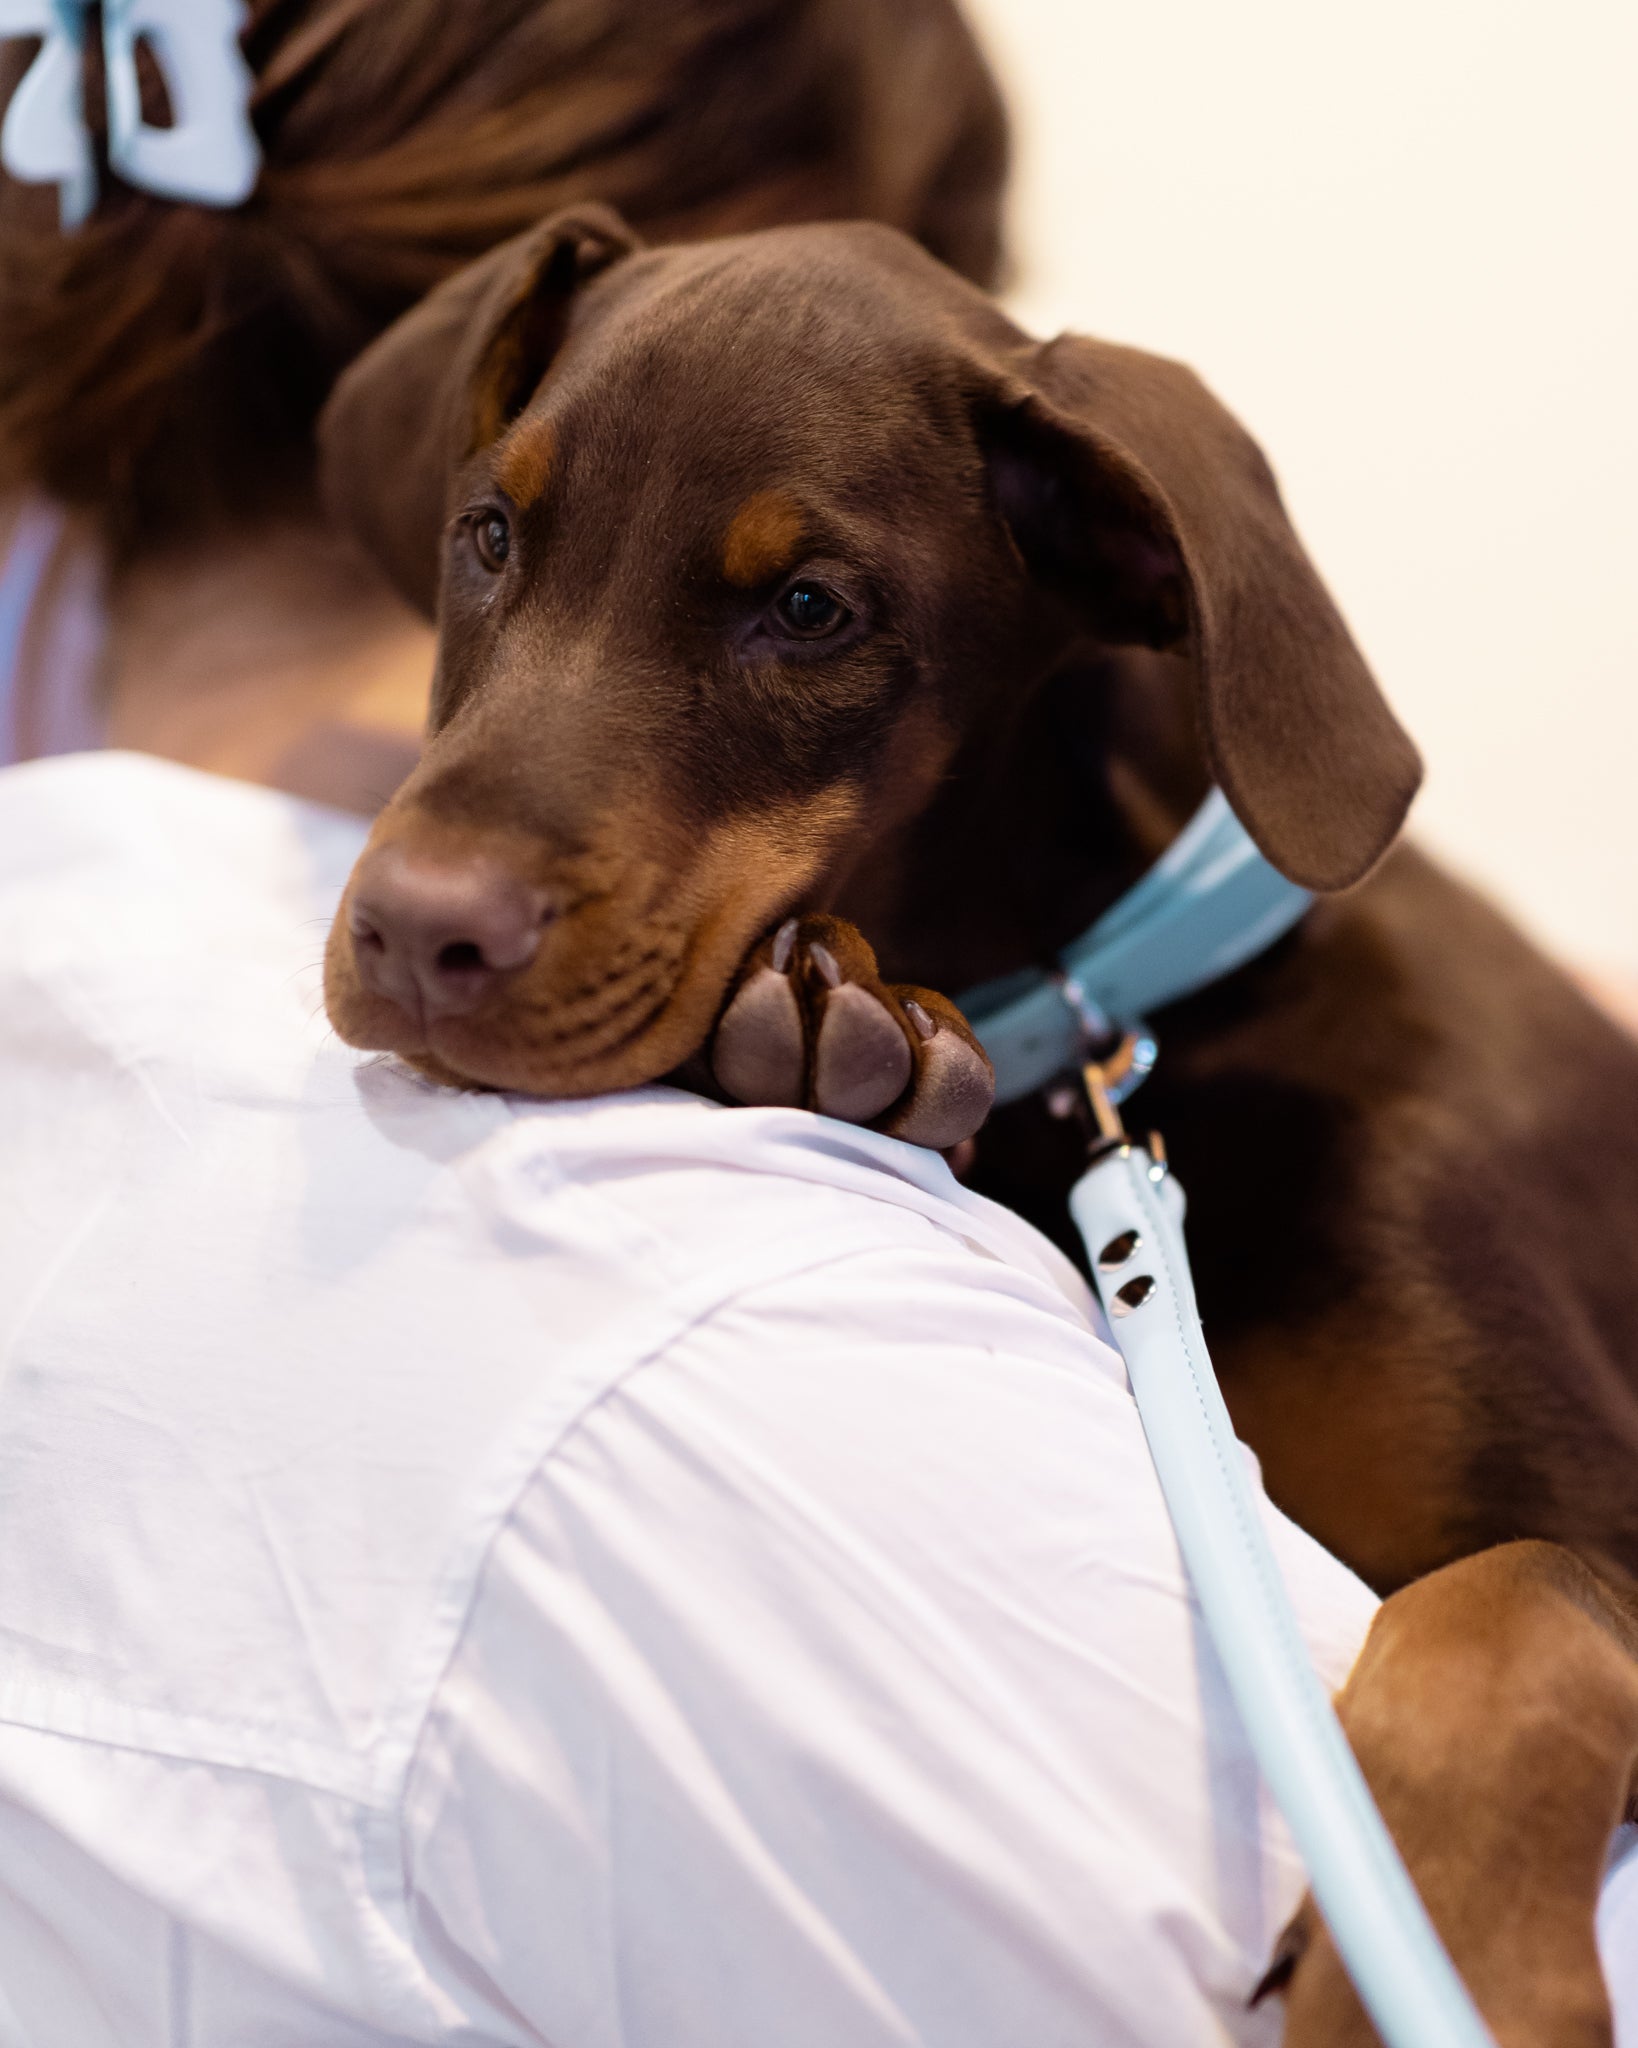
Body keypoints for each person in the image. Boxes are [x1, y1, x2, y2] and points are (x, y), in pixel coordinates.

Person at [0, 9, 1635, 2045]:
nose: (433, 890)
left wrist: (1501, 1742)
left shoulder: (1372, 1116)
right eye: (505, 541)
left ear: (1123, 564)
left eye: (800, 611)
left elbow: (1584, 1566)